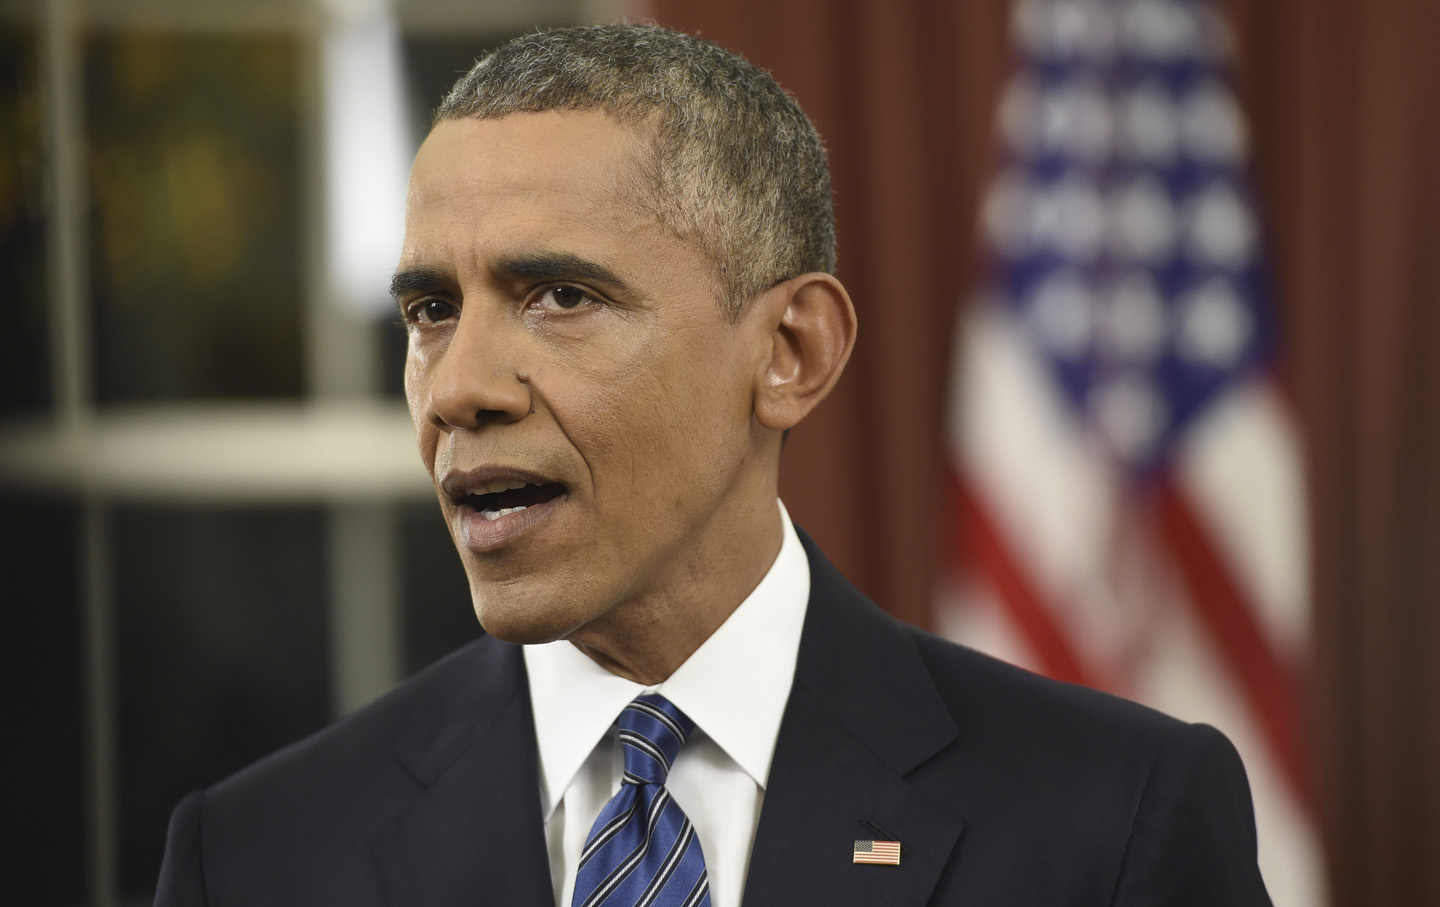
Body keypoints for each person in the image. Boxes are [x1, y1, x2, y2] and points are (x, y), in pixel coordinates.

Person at [156, 23, 1272, 907]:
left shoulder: (1114, 819)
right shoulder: (254, 854)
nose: (457, 389)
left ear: (790, 354)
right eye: (431, 310)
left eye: (559, 296)